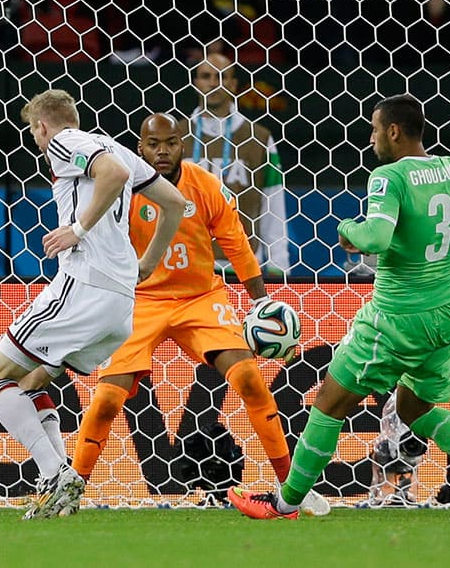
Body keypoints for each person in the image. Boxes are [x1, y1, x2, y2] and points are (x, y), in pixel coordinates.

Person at [228, 94, 450, 521]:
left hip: (395, 319)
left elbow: (377, 239)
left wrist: (350, 228)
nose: (371, 139)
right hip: (447, 318)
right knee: (413, 408)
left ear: (394, 132)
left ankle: (285, 502)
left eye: (373, 129)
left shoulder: (389, 177)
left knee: (329, 403)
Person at [71, 113, 329, 515]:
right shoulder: (122, 190)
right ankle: (71, 492)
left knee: (249, 379)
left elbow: (238, 245)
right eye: (153, 144)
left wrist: (259, 300)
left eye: (171, 143)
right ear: (140, 148)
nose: (162, 151)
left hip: (200, 298)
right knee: (105, 400)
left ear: (183, 145)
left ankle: (291, 489)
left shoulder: (206, 186)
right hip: (141, 302)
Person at [0, 90, 186, 519]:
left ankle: (56, 473)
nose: (36, 142)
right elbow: (175, 203)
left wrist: (77, 228)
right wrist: (147, 262)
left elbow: (110, 174)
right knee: (33, 381)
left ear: (41, 126)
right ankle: (56, 490)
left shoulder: (64, 141)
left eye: (33, 132)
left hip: (84, 283)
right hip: (120, 300)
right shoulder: (116, 145)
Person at [177, 53, 291, 275]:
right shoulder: (176, 135)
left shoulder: (259, 138)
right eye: (206, 76)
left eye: (221, 76)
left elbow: (273, 203)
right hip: (185, 265)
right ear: (195, 83)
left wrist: (279, 266)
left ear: (233, 84)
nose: (213, 83)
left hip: (243, 265)